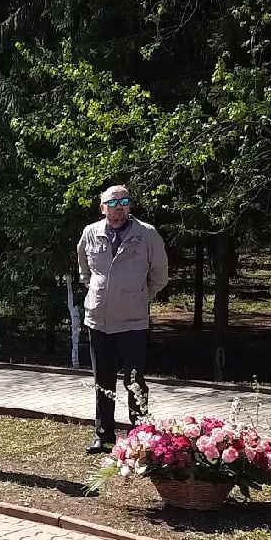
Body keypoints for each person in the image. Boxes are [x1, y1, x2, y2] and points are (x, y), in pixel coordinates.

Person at [76, 184, 170, 454]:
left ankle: (141, 436)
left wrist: (138, 295)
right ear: (102, 207)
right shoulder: (90, 232)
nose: (119, 206)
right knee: (102, 380)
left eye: (124, 201)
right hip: (98, 320)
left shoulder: (147, 234)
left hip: (133, 322)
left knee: (134, 381)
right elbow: (84, 269)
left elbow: (160, 276)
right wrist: (98, 291)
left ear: (130, 206)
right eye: (113, 202)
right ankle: (104, 435)